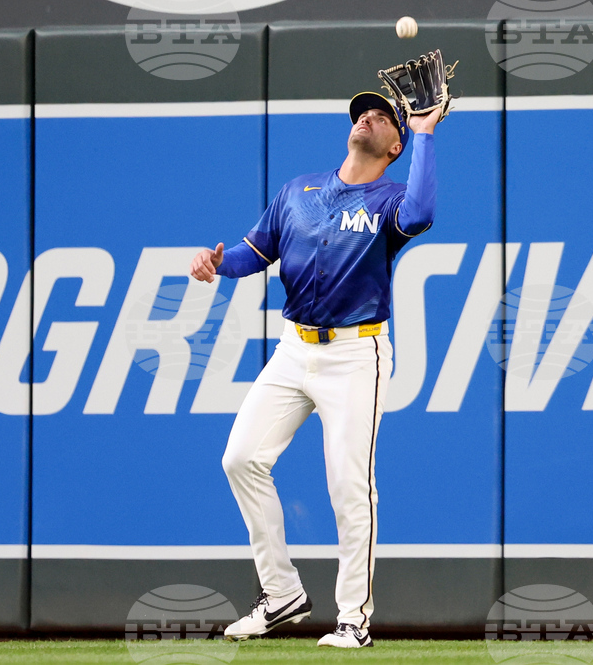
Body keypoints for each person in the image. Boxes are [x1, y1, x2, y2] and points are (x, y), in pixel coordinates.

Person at [189, 93, 442, 649]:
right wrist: (217, 263)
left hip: (356, 355)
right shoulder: (298, 191)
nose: (366, 118)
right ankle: (281, 594)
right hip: (293, 348)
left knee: (349, 486)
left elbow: (421, 214)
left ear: (394, 146)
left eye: (381, 117)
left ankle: (353, 617)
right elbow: (255, 252)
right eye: (362, 112)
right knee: (240, 459)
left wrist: (423, 131)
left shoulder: (391, 198)